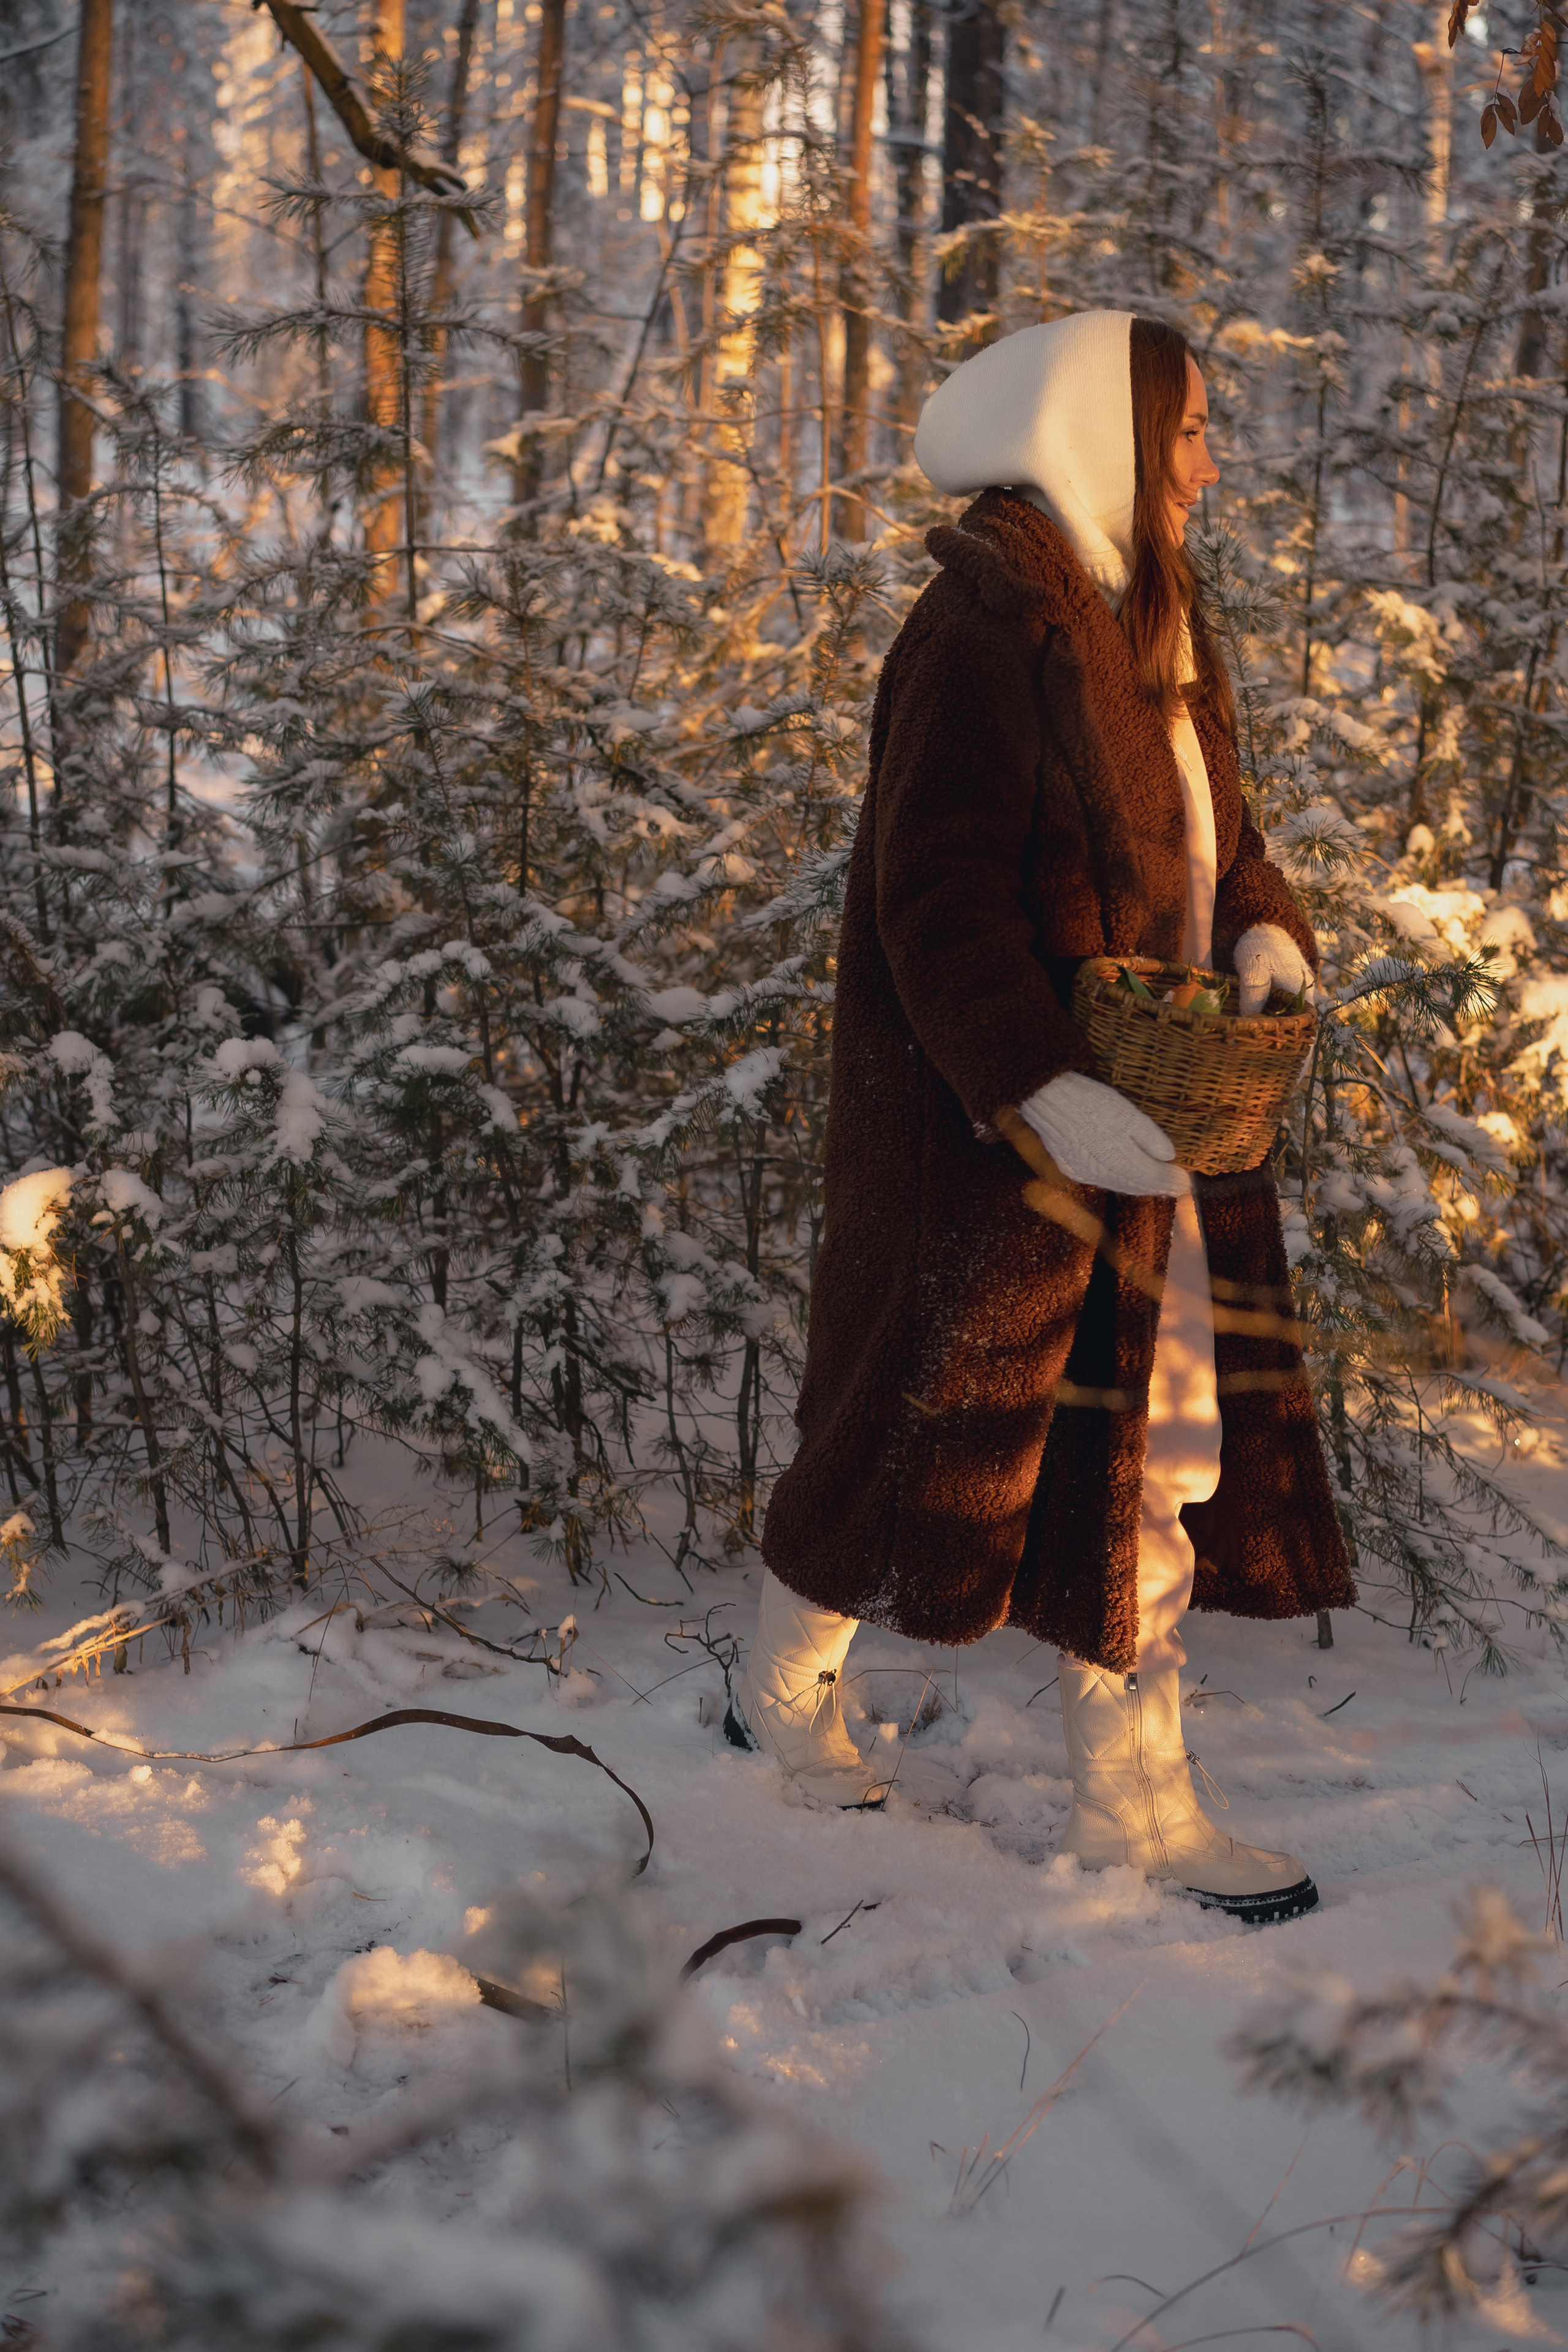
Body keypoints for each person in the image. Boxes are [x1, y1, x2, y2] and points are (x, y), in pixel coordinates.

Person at [723, 311, 1355, 1926]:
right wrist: (1036, 1088)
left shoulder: (1159, 618)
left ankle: (1137, 1805)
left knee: (1143, 1458)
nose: (1212, 462)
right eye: (1191, 430)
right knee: (911, 1434)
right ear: (1111, 439)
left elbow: (1227, 829)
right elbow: (930, 902)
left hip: (1160, 1128)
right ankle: (782, 1686)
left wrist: (1264, 918)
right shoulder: (980, 632)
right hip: (989, 1139)